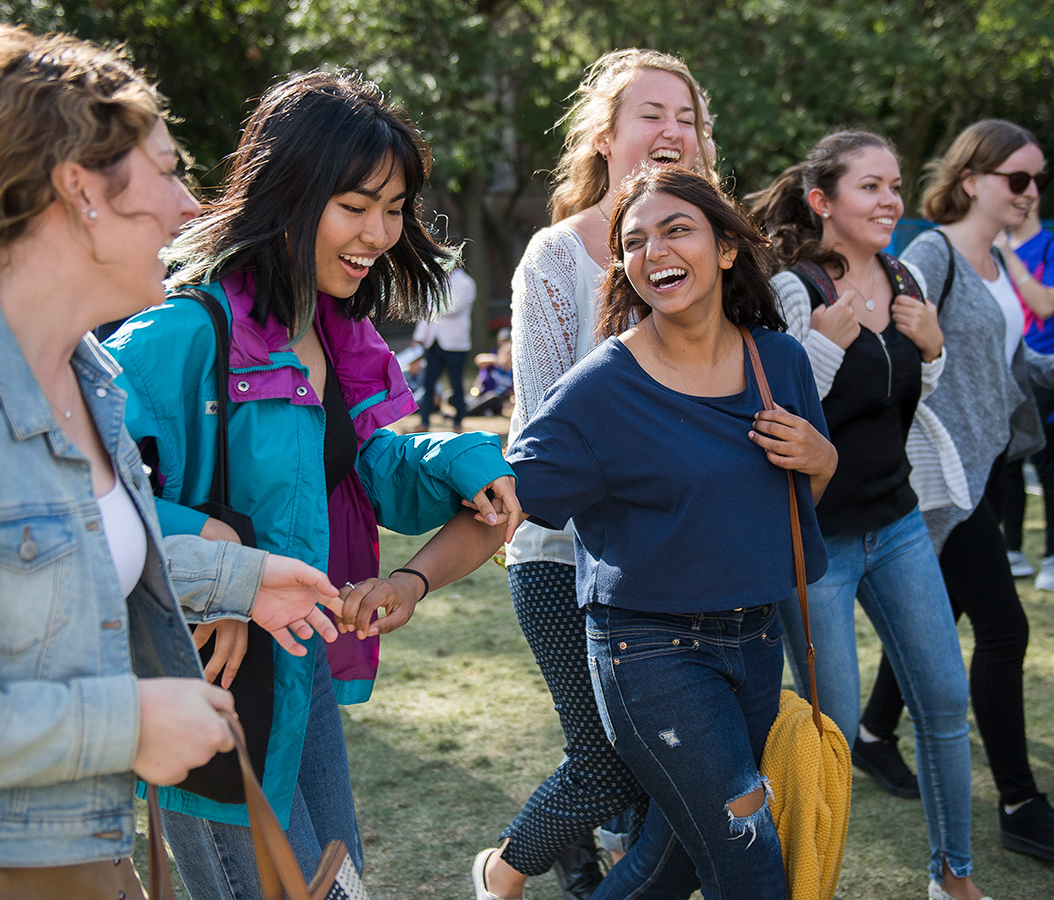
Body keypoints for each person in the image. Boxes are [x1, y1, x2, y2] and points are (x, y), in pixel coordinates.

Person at [343, 164, 836, 900]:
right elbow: (500, 506)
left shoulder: (780, 361)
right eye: (633, 241)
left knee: (667, 869)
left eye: (677, 230)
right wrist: (410, 580)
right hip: (655, 654)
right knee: (749, 861)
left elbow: (794, 501)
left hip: (758, 642)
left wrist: (822, 459)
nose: (654, 251)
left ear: (728, 248)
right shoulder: (603, 388)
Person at [105, 71, 518, 899]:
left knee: (339, 886)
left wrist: (461, 463)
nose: (378, 231)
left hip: (303, 670)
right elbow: (91, 504)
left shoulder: (341, 331)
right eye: (355, 204)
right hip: (210, 689)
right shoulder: (179, 333)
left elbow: (366, 476)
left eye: (394, 207)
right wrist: (222, 562)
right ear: (290, 194)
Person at [0, 25, 348, 899]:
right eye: (169, 171)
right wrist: (122, 722)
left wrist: (240, 577)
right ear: (80, 189)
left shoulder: (89, 373)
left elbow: (78, 548)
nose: (189, 208)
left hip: (82, 853)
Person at [486, 49, 718, 900]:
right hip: (562, 551)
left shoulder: (711, 250)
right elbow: (543, 427)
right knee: (611, 764)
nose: (672, 131)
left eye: (686, 117)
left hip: (677, 556)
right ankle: (505, 873)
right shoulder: (558, 257)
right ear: (606, 136)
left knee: (660, 761)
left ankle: (587, 872)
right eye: (651, 114)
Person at [856, 119, 1054, 863]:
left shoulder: (996, 257)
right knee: (1004, 630)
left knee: (943, 614)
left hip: (991, 464)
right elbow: (898, 346)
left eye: (1038, 180)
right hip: (942, 477)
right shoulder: (931, 252)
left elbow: (1003, 353)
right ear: (972, 180)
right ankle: (1022, 804)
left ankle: (872, 734)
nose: (1031, 193)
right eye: (1017, 179)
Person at [749, 130, 990, 900]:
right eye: (870, 187)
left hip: (899, 526)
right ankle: (811, 886)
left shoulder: (907, 272)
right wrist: (821, 347)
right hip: (817, 542)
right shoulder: (793, 288)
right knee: (832, 733)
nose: (890, 201)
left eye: (894, 186)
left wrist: (936, 344)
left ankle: (953, 876)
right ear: (822, 201)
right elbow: (778, 418)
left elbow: (906, 393)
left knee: (947, 702)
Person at [996, 204, 1054, 591]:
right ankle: (1011, 549)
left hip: (1046, 374)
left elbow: (1046, 305)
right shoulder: (989, 251)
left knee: (1050, 468)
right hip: (1004, 372)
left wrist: (1008, 254)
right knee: (1009, 466)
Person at [414, 264, 475, 429]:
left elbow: (453, 309)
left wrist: (435, 301)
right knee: (428, 383)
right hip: (434, 341)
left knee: (456, 383)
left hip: (455, 343)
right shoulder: (435, 282)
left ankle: (458, 420)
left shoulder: (466, 283)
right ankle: (424, 420)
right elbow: (427, 312)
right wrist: (419, 337)